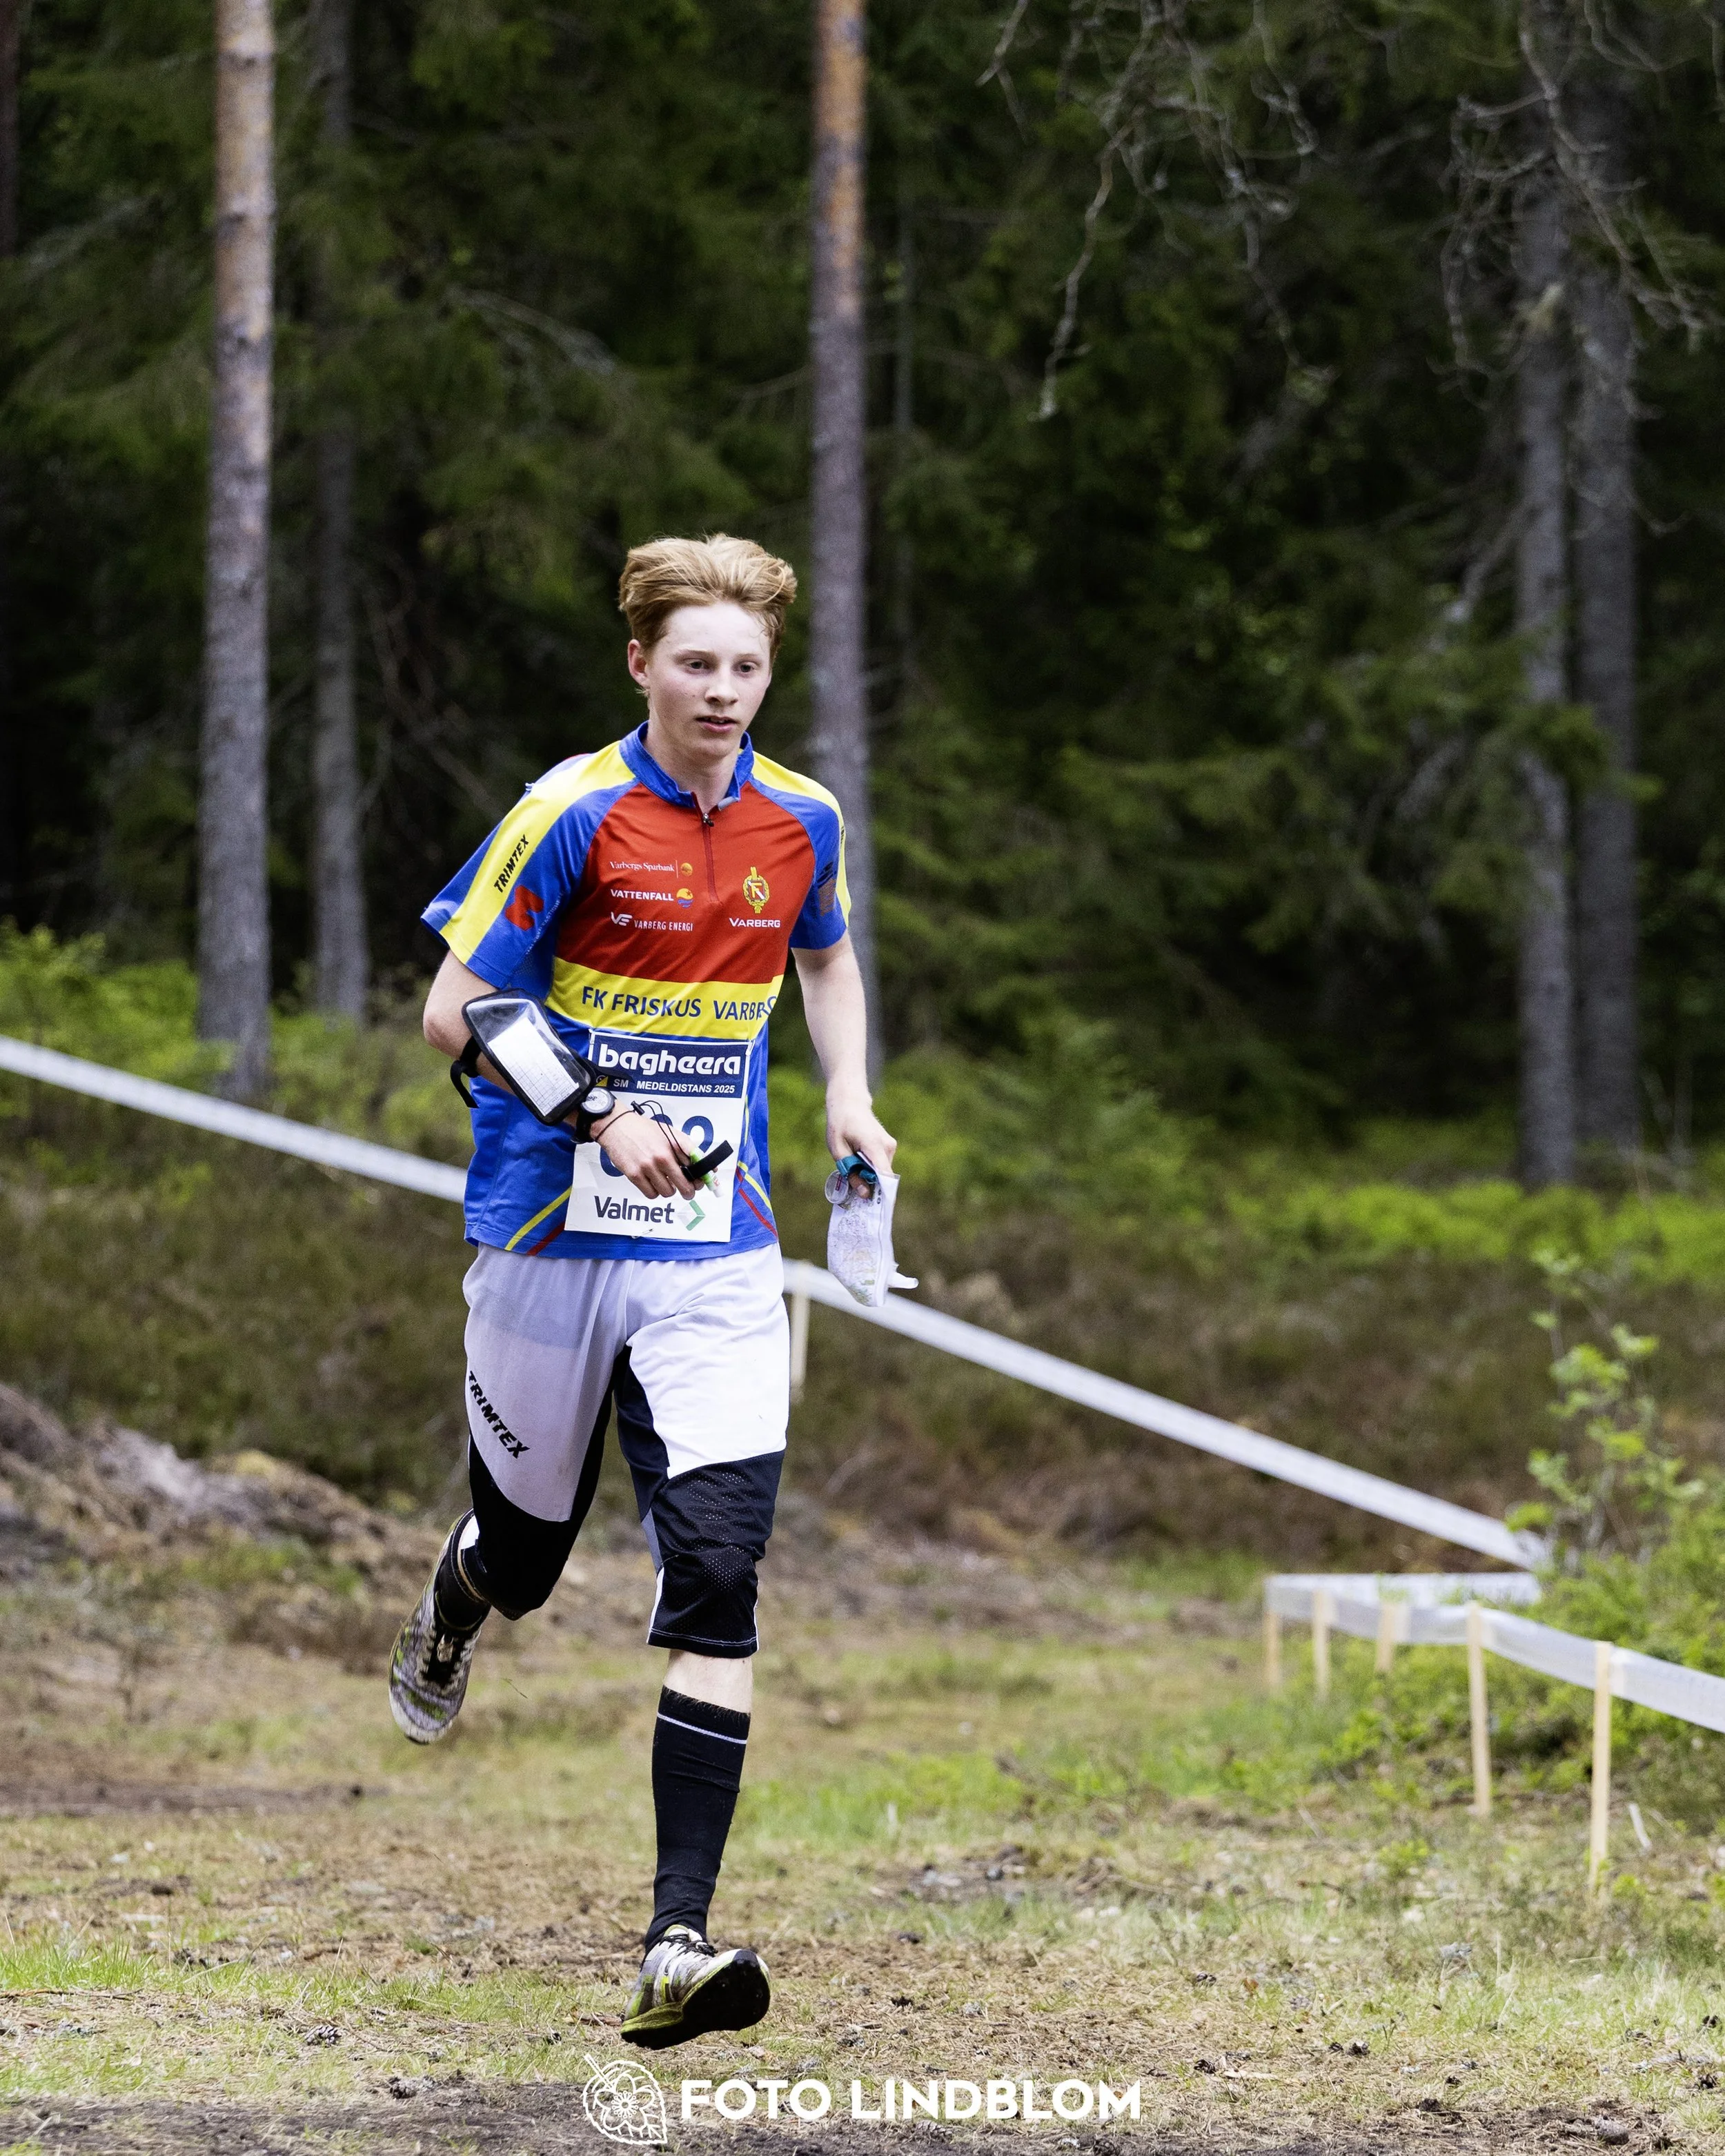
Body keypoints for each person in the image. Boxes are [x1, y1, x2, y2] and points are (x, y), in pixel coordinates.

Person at [387, 533, 896, 2050]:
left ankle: (676, 1936)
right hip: (546, 1235)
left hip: (716, 1253)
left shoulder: (802, 817)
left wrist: (847, 1096)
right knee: (529, 1556)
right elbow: (452, 1006)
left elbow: (826, 959)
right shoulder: (571, 807)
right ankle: (451, 1601)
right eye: (696, 663)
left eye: (746, 667)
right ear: (640, 666)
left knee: (722, 1569)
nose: (724, 691)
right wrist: (594, 1103)